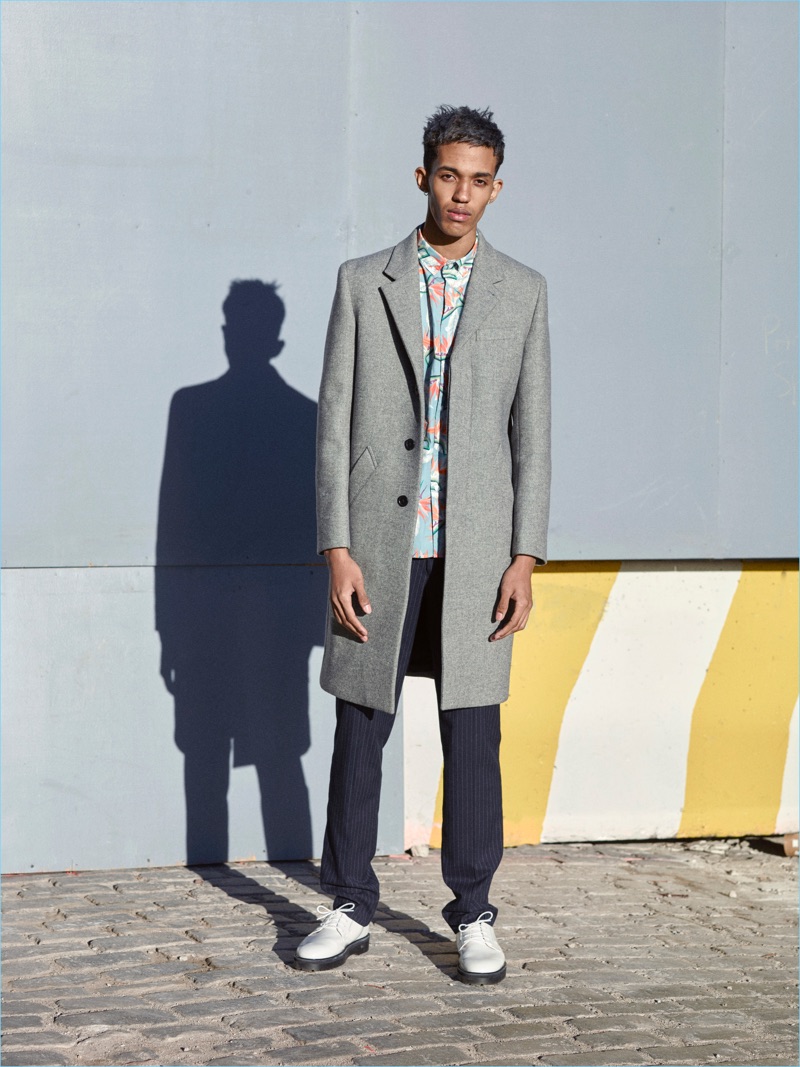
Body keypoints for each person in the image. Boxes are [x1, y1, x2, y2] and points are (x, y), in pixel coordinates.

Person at [296, 105, 551, 985]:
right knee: (360, 724)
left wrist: (525, 556)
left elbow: (533, 437)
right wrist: (336, 546)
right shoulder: (362, 281)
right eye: (448, 176)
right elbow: (333, 427)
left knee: (473, 734)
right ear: (423, 177)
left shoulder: (523, 290)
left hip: (478, 551)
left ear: (496, 188)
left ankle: (473, 910)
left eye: (478, 180)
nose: (461, 194)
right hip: (380, 542)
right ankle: (347, 901)